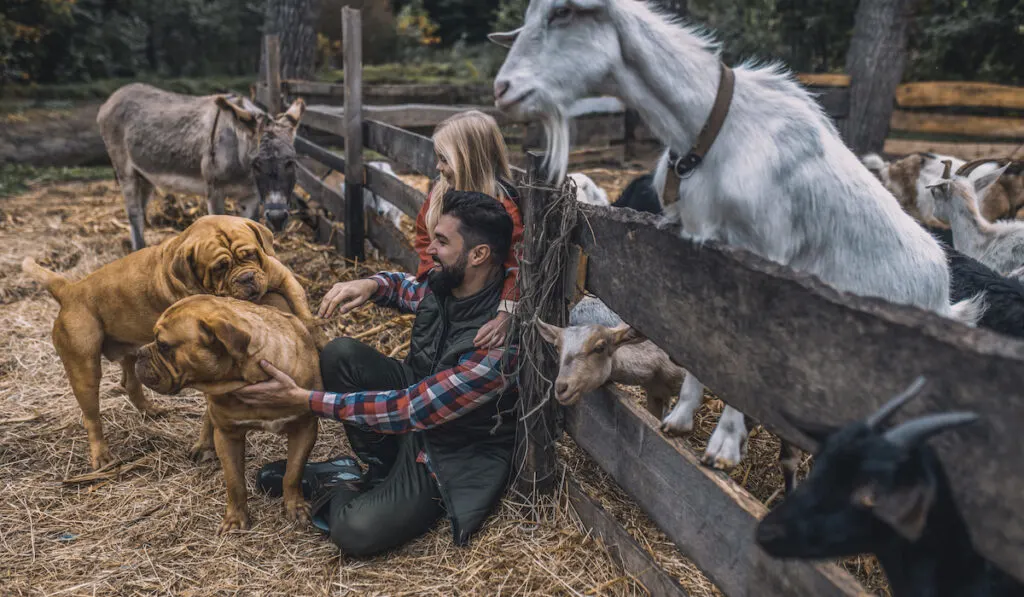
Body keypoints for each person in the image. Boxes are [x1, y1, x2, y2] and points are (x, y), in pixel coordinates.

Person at [235, 190, 520, 557]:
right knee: (341, 355)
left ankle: (341, 483)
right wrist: (369, 285)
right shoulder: (449, 283)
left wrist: (307, 401)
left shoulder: (497, 344)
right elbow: (407, 288)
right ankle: (379, 470)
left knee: (356, 531)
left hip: (452, 452)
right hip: (418, 411)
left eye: (443, 241)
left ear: (479, 255)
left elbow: (411, 409)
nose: (430, 249)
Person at [418, 109, 523, 350]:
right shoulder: (439, 195)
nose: (437, 166)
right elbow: (423, 238)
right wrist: (432, 277)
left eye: (444, 159)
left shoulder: (504, 208)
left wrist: (505, 314)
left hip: (482, 310)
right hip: (443, 300)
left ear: (468, 159)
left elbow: (517, 265)